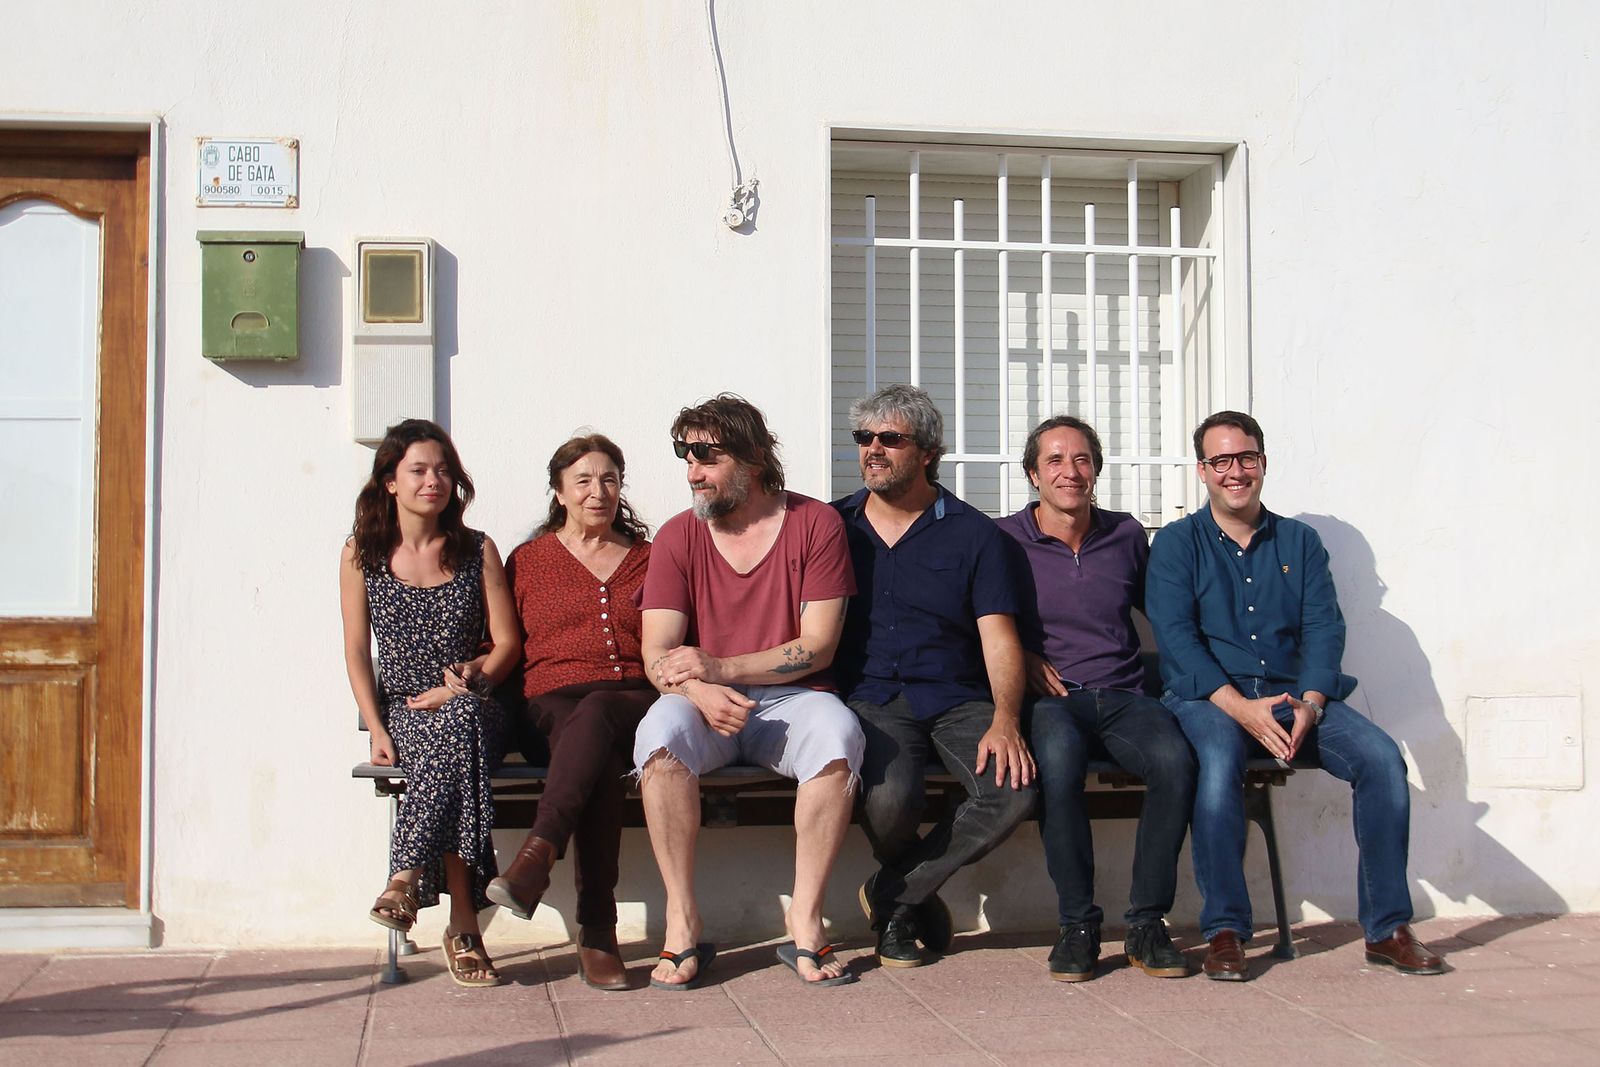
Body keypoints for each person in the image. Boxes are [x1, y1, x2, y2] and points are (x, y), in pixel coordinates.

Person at [1146, 410, 1445, 980]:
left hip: (1292, 699)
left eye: (1247, 458)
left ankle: (1386, 929)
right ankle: (1227, 931)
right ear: (1202, 471)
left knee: (1382, 760)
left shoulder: (1301, 542)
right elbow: (1177, 639)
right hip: (1209, 699)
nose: (1236, 471)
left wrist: (1310, 703)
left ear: (1263, 463)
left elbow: (1323, 628)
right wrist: (1239, 708)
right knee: (1218, 762)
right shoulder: (1177, 544)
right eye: (1222, 461)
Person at [634, 394, 864, 989]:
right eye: (686, 454)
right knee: (658, 739)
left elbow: (817, 646)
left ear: (754, 457)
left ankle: (806, 922)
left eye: (707, 454)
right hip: (702, 703)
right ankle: (681, 922)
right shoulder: (678, 536)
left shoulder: (816, 523)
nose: (693, 470)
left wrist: (721, 669)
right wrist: (700, 689)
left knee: (838, 735)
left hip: (790, 698)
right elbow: (656, 651)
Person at [834, 384, 1036, 969]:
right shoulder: (832, 526)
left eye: (889, 438)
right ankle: (912, 901)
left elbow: (999, 637)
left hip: (956, 696)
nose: (872, 449)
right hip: (869, 698)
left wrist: (1005, 719)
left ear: (927, 451)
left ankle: (892, 896)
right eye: (864, 438)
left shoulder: (975, 534)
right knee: (890, 801)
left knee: (1012, 790)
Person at [998, 416, 1196, 982]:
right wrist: (1023, 659)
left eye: (1081, 459)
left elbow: (1165, 613)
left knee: (1175, 763)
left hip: (1126, 694)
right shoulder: (1006, 539)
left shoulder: (1126, 534)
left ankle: (1147, 924)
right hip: (1054, 700)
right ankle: (1077, 926)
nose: (1069, 471)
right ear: (1033, 474)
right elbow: (984, 623)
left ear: (1096, 470)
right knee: (1057, 770)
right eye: (1055, 460)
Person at [340, 419, 521, 988]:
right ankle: (464, 927)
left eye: (442, 470)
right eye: (418, 470)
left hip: (475, 701)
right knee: (450, 754)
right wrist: (377, 728)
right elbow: (355, 653)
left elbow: (509, 643)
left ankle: (404, 878)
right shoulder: (361, 553)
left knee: (461, 720)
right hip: (407, 712)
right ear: (390, 481)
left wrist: (468, 678)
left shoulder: (476, 549)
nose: (433, 481)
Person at [485, 433, 654, 991]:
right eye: (583, 480)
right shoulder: (528, 561)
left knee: (603, 712)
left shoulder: (648, 559)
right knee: (596, 755)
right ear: (559, 492)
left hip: (631, 700)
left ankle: (538, 857)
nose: (597, 491)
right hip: (549, 707)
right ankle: (598, 932)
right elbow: (502, 644)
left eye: (609, 478)